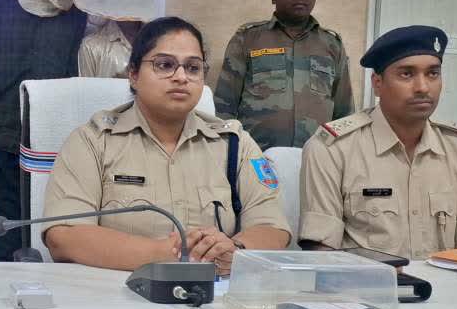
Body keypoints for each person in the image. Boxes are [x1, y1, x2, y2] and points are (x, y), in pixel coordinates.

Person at [42, 17, 292, 276]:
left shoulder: (234, 144)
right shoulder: (93, 141)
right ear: (133, 74)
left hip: (211, 294)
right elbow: (64, 236)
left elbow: (273, 227)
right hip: (118, 294)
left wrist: (235, 251)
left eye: (193, 68)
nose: (181, 77)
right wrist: (167, 253)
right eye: (165, 65)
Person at [0, 0, 154, 259]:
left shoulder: (77, 16)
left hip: (54, 141)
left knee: (48, 224)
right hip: (3, 138)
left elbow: (78, 79)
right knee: (5, 230)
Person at [298, 25, 457, 259]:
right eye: (406, 74)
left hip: (445, 282)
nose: (423, 88)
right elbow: (322, 252)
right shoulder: (333, 149)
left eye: (433, 73)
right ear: (377, 83)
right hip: (366, 282)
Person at [213, 0, 354, 149]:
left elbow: (344, 114)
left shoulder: (331, 44)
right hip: (256, 157)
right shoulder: (247, 39)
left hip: (318, 159)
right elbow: (223, 107)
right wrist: (228, 153)